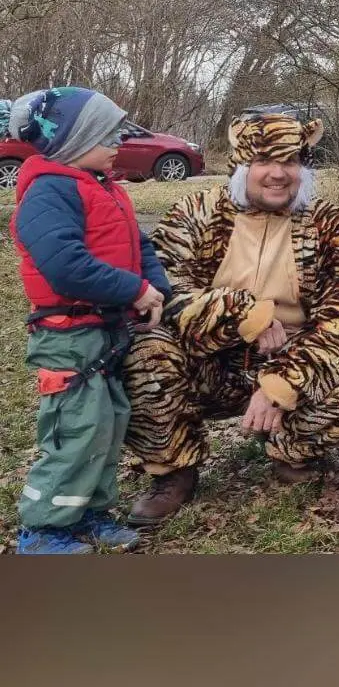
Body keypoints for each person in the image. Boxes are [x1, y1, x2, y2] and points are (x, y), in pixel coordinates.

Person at [123, 113, 339, 526]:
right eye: (265, 162)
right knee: (144, 350)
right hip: (209, 362)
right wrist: (244, 314)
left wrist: (280, 382)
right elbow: (163, 296)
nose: (278, 174)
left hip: (292, 354)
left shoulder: (326, 222)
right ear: (241, 166)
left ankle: (291, 448)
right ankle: (174, 471)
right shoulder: (197, 211)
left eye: (290, 162)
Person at [9, 88, 169, 554]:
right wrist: (134, 290)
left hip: (107, 330)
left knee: (109, 421)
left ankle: (89, 512)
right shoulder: (47, 192)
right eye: (107, 133)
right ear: (73, 141)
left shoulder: (105, 185)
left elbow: (140, 247)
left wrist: (156, 286)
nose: (119, 140)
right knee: (75, 427)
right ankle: (42, 529)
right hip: (68, 334)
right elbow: (65, 265)